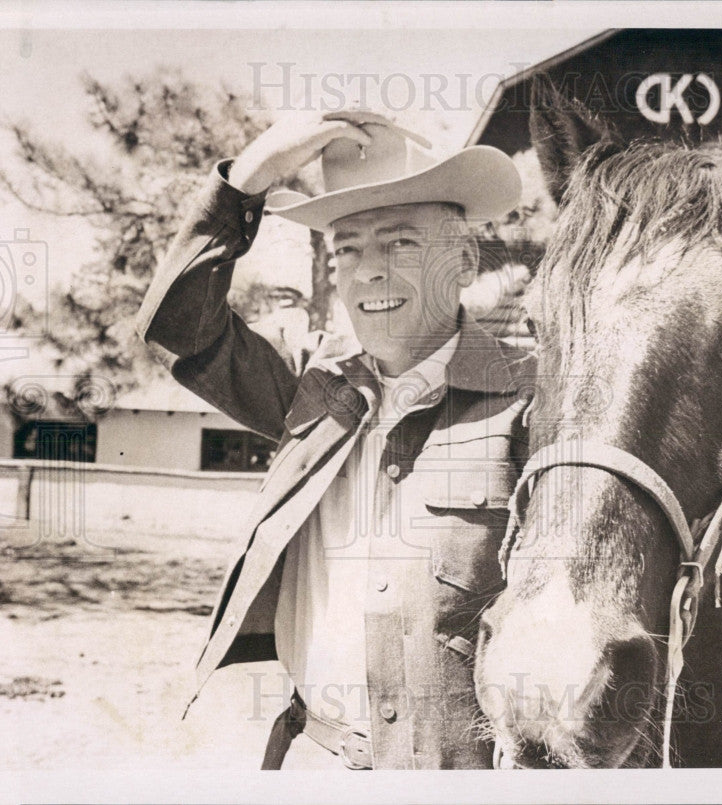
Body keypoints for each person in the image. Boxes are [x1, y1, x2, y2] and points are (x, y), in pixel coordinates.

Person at [136, 109, 533, 769]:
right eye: (347, 248)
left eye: (401, 243)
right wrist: (241, 186)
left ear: (464, 260)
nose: (369, 271)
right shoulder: (315, 389)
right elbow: (180, 325)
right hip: (310, 756)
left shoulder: (529, 405)